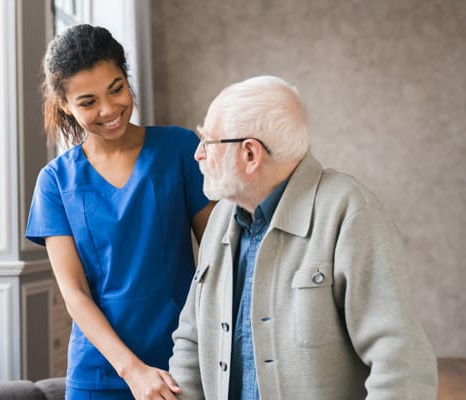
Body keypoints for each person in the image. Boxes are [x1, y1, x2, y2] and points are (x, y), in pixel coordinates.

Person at [168, 75, 438, 399]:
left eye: (208, 142)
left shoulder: (349, 212)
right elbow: (191, 341)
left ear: (250, 154)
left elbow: (401, 364)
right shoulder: (222, 217)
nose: (198, 154)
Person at [25, 24, 215, 400]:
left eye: (116, 89)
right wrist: (133, 371)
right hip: (100, 373)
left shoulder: (180, 149)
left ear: (127, 79)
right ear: (65, 104)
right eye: (88, 101)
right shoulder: (55, 182)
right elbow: (74, 291)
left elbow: (219, 260)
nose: (109, 110)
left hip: (182, 361)